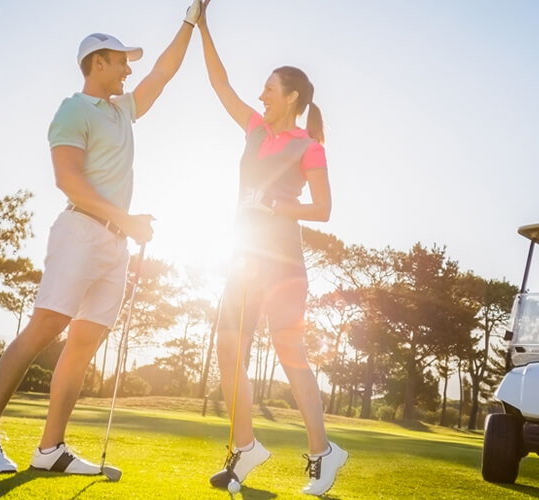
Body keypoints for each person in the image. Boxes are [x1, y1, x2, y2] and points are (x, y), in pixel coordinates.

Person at [0, 1, 203, 475]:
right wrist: (126, 220)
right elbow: (68, 181)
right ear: (97, 63)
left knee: (84, 342)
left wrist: (191, 18)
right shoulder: (73, 109)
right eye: (121, 62)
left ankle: (50, 449)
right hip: (79, 232)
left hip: (115, 245)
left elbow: (164, 72)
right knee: (46, 326)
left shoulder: (123, 110)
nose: (129, 70)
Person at [197, 2, 347, 496]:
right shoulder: (256, 129)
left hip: (283, 262)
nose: (260, 94)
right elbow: (220, 85)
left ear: (292, 96)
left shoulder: (309, 147)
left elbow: (323, 209)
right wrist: (202, 26)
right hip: (245, 258)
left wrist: (276, 206)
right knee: (226, 345)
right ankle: (246, 446)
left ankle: (324, 453)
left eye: (268, 88)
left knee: (288, 349)